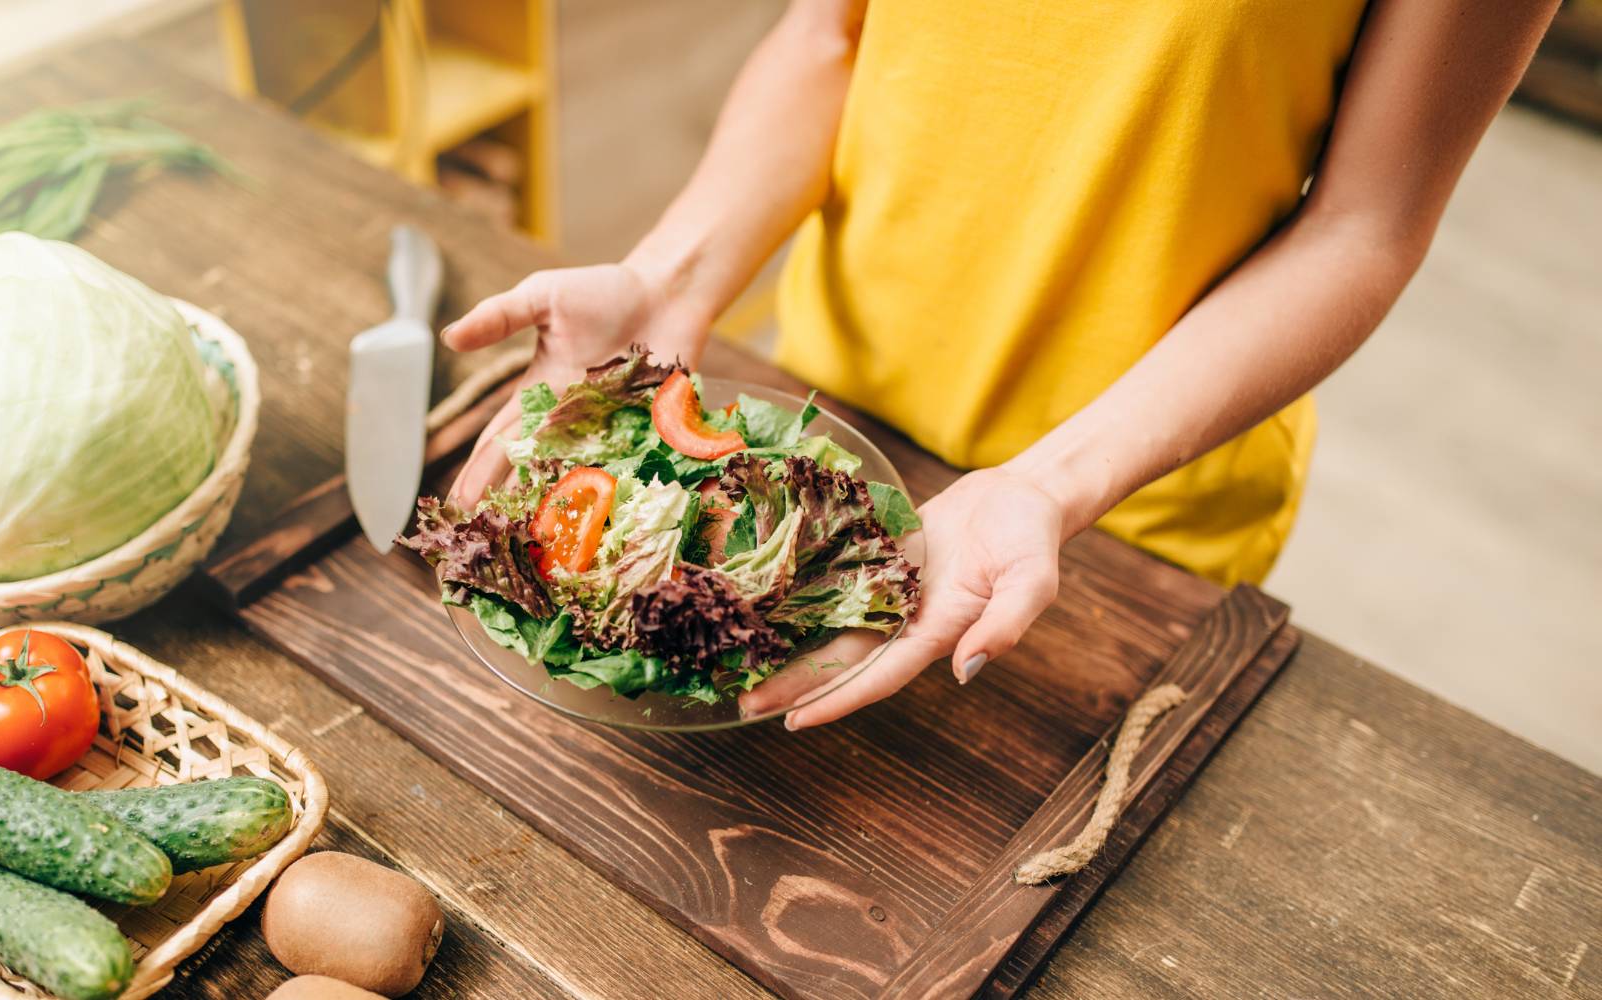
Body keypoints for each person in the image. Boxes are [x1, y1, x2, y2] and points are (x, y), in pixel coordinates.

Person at [441, 0, 1556, 729]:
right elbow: (832, 37)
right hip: (829, 430)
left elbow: (1365, 225)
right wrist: (668, 287)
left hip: (1128, 509)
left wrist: (1048, 483)